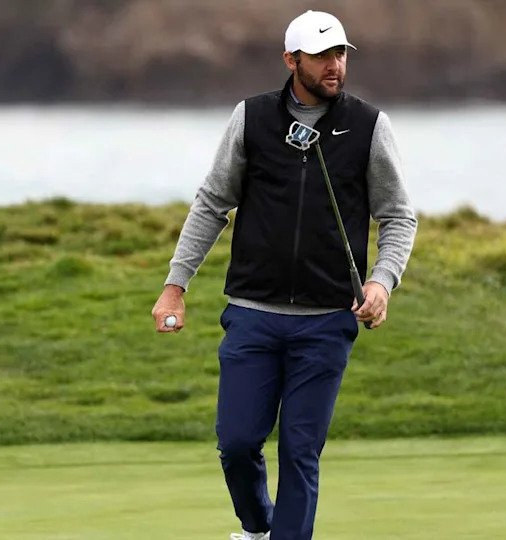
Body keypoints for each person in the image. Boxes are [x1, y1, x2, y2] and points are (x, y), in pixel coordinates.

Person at [151, 9, 417, 540]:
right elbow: (211, 203)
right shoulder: (251, 119)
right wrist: (175, 287)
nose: (334, 66)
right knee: (238, 442)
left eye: (340, 54)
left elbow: (397, 215)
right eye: (321, 56)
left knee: (300, 449)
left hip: (325, 322)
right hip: (253, 315)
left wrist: (382, 281)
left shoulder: (368, 126)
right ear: (291, 60)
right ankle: (258, 528)